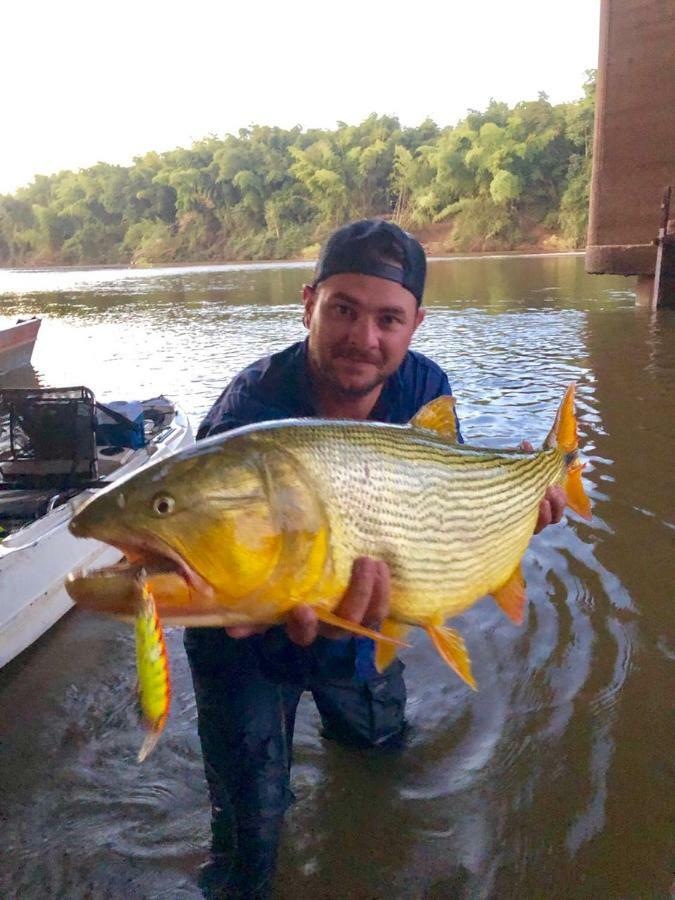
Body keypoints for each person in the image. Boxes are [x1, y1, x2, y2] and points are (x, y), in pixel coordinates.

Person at [184, 219, 566, 899]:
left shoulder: (425, 385)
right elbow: (205, 561)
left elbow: (443, 505)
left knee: (378, 742)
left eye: (388, 318)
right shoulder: (245, 415)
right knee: (251, 831)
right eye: (343, 311)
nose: (365, 338)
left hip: (360, 614)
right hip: (241, 644)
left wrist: (506, 515)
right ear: (308, 304)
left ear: (415, 323)